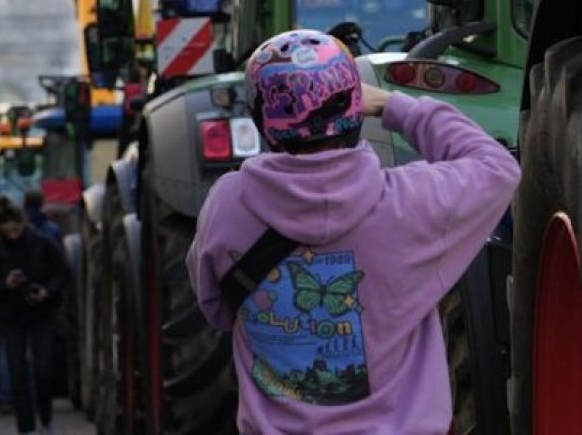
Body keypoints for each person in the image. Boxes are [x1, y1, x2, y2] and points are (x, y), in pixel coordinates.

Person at [187, 29, 520, 434]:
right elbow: (498, 168)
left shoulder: (227, 206)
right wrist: (394, 105)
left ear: (262, 120)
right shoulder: (410, 204)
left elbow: (216, 308)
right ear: (354, 111)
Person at [0, 204, 69, 435]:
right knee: (17, 371)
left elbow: (63, 272)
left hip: (41, 313)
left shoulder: (42, 243)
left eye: (16, 230)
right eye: (8, 231)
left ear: (23, 224)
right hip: (11, 316)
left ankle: (45, 418)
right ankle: (26, 426)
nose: (12, 235)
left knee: (42, 369)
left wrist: (46, 291)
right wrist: (6, 284)